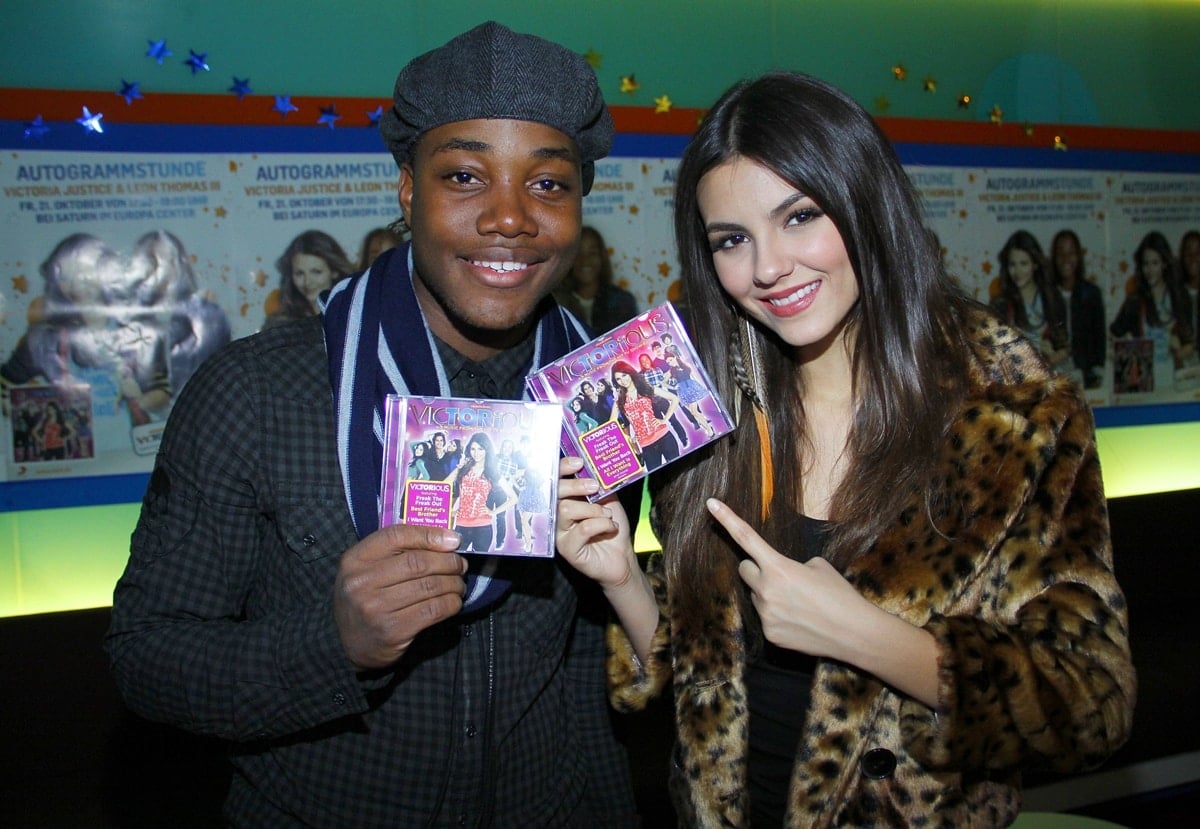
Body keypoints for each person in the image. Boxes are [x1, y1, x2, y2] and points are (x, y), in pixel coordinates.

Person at [556, 71, 1135, 827]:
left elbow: (1092, 702)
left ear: (866, 202)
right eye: (732, 239)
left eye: (799, 216)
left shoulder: (1011, 411)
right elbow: (703, 668)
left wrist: (865, 635)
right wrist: (624, 578)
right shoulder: (704, 406)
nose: (767, 267)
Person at [106, 21, 638, 827]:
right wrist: (334, 642)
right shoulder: (258, 389)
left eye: (548, 184)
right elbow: (145, 657)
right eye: (464, 175)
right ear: (405, 188)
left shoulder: (603, 391)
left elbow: (593, 659)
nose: (509, 217)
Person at [1110, 230, 1196, 370]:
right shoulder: (1134, 301)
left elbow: (1190, 344)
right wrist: (1128, 354)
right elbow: (1113, 336)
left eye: (1155, 263)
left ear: (1164, 264)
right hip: (1142, 380)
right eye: (1145, 264)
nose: (1149, 270)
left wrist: (1177, 354)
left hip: (1172, 380)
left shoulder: (1179, 296)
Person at [991, 230, 1070, 368]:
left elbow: (1064, 348)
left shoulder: (1052, 299)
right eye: (1012, 264)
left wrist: (1049, 358)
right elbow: (992, 351)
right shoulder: (1000, 304)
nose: (1017, 271)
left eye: (1024, 263)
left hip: (1050, 379)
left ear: (1035, 264)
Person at [262, 229, 353, 329]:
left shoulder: (354, 318)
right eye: (299, 273)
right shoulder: (277, 325)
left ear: (334, 272)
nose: (307, 282)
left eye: (316, 272)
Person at [554, 225, 638, 333]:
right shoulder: (557, 304)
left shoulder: (622, 301)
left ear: (602, 257)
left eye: (592, 253)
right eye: (578, 253)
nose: (585, 260)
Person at [1050, 229, 1106, 388]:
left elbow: (1099, 337)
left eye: (1071, 252)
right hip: (1055, 379)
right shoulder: (1047, 294)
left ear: (1079, 256)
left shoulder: (1091, 293)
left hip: (1086, 378)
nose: (1066, 259)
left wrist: (1097, 373)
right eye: (1060, 253)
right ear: (1053, 258)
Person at [445, 432, 516, 552]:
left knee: (479, 566)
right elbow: (442, 486)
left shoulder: (492, 472)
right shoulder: (463, 469)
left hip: (483, 528)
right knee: (456, 564)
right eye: (473, 449)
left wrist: (493, 512)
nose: (476, 453)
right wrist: (449, 511)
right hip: (461, 526)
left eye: (480, 449)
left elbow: (514, 498)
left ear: (487, 450)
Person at [609, 359, 680, 471]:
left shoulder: (645, 388)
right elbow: (611, 425)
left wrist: (664, 419)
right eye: (618, 378)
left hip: (665, 437)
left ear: (630, 373)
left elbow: (674, 398)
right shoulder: (619, 400)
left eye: (624, 375)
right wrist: (628, 438)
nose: (623, 380)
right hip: (646, 445)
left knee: (679, 471)